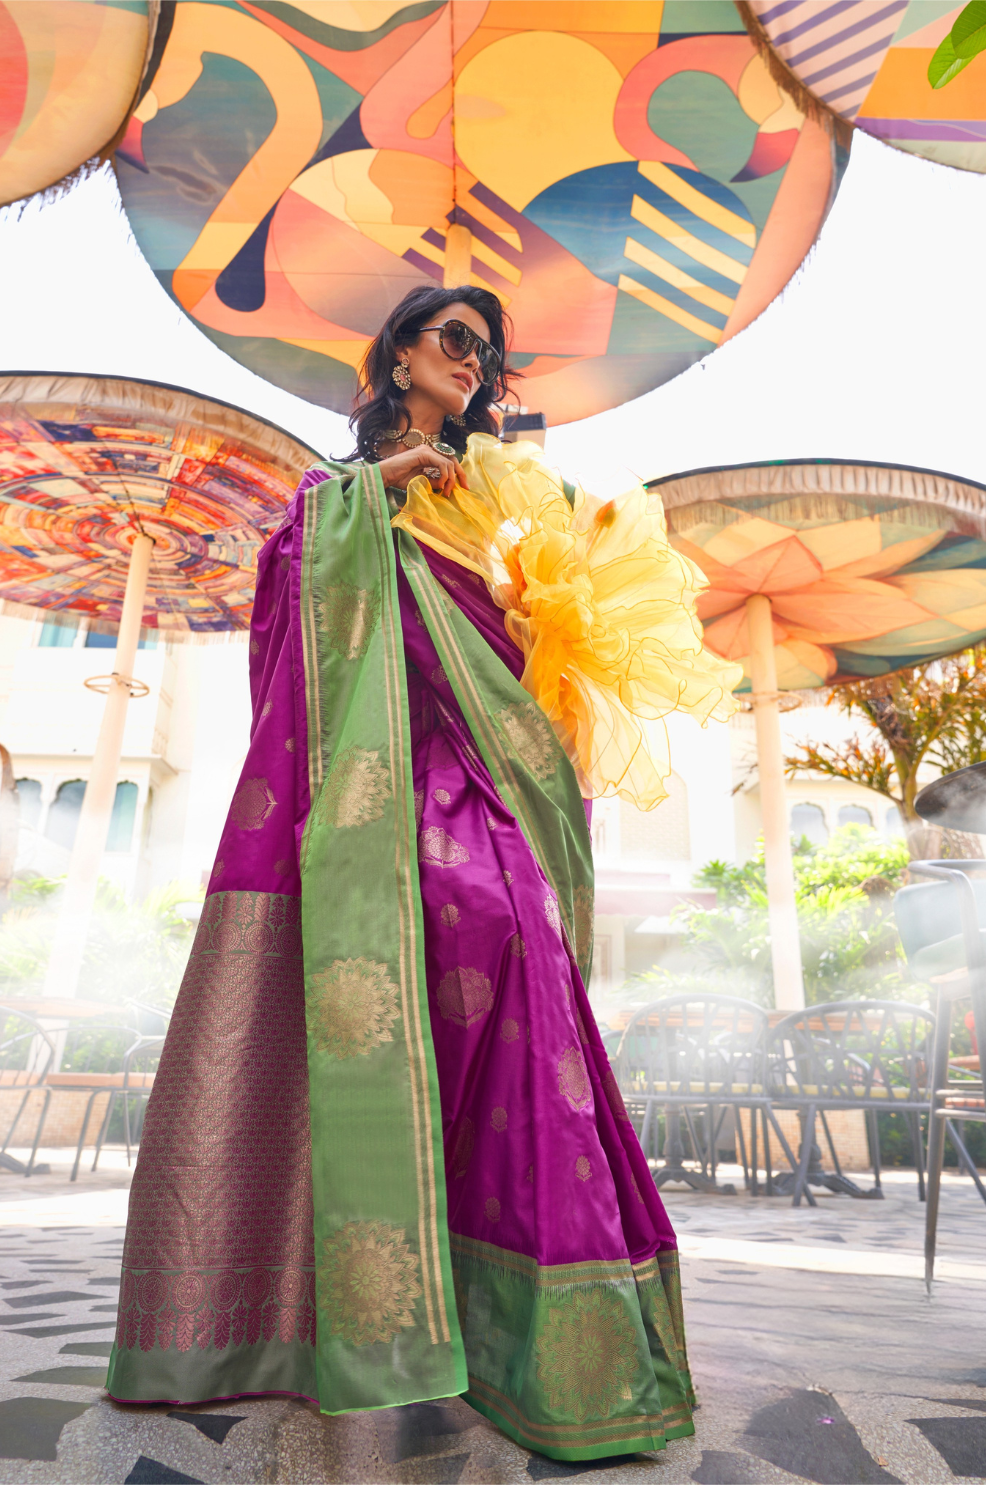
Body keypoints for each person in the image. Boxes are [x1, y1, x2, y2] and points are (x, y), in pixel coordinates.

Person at [107, 285, 738, 1461]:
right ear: (398, 357)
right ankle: (333, 1315)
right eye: (454, 340)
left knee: (518, 955)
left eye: (487, 352)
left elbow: (545, 627)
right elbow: (292, 592)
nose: (474, 362)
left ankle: (530, 1338)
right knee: (391, 1006)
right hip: (372, 791)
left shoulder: (501, 486)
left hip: (485, 778)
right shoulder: (338, 495)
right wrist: (371, 495)